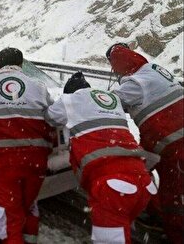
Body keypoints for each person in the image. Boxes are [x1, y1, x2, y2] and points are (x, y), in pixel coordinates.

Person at [45, 72, 156, 244]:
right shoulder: (111, 100)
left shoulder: (70, 100)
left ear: (70, 93)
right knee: (123, 229)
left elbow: (49, 117)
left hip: (112, 185)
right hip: (142, 179)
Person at [106, 43, 183, 244]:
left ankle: (174, 231)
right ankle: (156, 212)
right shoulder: (153, 69)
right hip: (164, 142)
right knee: (141, 167)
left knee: (171, 194)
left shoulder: (135, 83)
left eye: (114, 67)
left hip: (172, 145)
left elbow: (108, 104)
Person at [0, 47, 54, 244]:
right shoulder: (39, 87)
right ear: (21, 65)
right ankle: (30, 238)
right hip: (36, 158)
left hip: (4, 160)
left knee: (8, 211)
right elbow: (52, 117)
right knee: (28, 204)